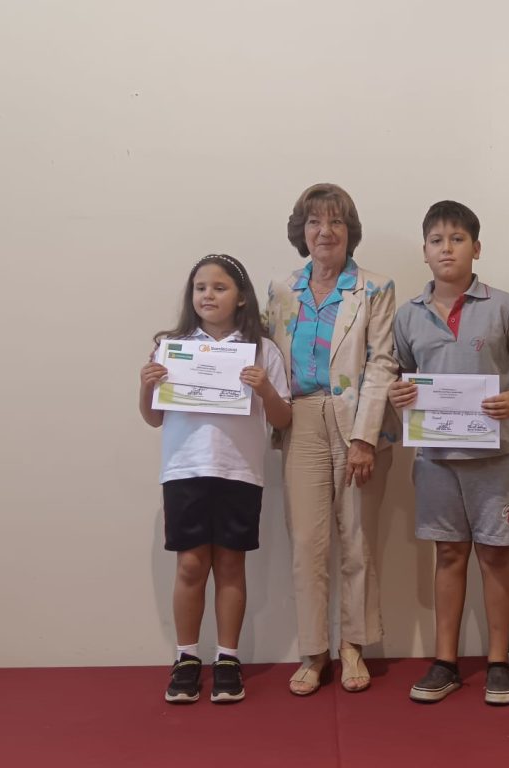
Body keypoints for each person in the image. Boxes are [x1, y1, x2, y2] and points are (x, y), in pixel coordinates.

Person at [388, 201, 509, 706]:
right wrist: (399, 393)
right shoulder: (408, 315)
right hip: (436, 459)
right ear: (425, 251)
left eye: (457, 239)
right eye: (437, 241)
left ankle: (498, 662)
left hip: (495, 458)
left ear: (476, 248)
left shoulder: (502, 306)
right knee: (449, 554)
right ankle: (446, 662)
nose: (447, 249)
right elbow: (403, 377)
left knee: (496, 556)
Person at [139, 254, 292, 704]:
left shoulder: (262, 350)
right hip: (184, 469)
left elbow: (283, 418)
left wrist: (265, 389)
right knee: (190, 565)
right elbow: (153, 418)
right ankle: (186, 657)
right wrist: (147, 384)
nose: (208, 295)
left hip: (239, 471)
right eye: (200, 287)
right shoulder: (172, 347)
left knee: (230, 565)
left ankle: (228, 658)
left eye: (220, 287)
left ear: (241, 297)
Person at [266, 183, 398, 695]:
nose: (325, 231)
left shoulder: (375, 288)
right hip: (299, 419)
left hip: (356, 420)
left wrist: (365, 438)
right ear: (301, 231)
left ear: (350, 231)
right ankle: (314, 650)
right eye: (315, 222)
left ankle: (353, 646)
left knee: (357, 539)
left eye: (336, 221)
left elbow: (382, 363)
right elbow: (262, 356)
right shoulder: (281, 290)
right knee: (307, 543)